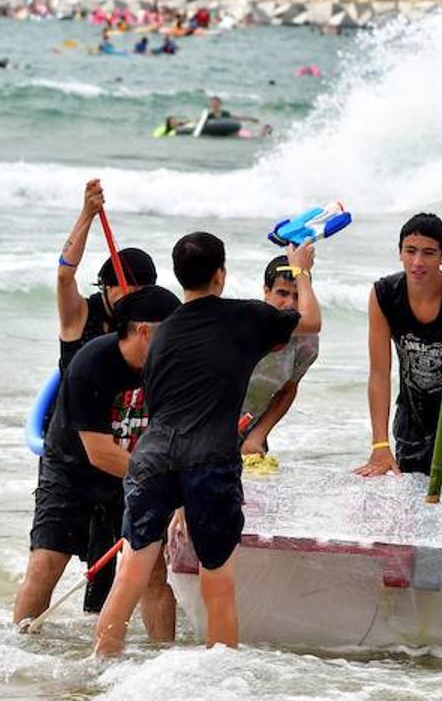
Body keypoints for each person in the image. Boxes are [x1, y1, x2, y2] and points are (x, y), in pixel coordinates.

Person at [93, 232, 321, 656]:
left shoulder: (160, 335)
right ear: (221, 274)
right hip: (210, 461)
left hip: (153, 458)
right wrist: (302, 268)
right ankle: (221, 686)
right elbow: (309, 322)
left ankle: (98, 668)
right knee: (217, 583)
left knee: (131, 575)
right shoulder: (245, 317)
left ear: (180, 276)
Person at [15, 286, 183, 633]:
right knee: (46, 564)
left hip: (138, 474)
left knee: (153, 573)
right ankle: (20, 651)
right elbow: (99, 452)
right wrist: (165, 484)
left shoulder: (172, 367)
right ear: (144, 332)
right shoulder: (91, 364)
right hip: (71, 470)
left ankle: (164, 662)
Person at [356, 214, 442, 484]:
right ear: (400, 253)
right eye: (410, 251)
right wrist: (380, 445)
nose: (418, 262)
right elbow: (380, 374)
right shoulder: (384, 294)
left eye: (429, 253)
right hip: (413, 413)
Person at [57, 180, 159, 372]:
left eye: (144, 292)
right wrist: (87, 213)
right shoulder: (79, 314)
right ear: (107, 285)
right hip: (78, 399)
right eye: (131, 289)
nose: (136, 299)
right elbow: (64, 275)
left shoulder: (146, 323)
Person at [239, 256, 320, 457]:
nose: (290, 304)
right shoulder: (245, 327)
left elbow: (287, 390)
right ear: (266, 292)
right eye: (282, 293)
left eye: (298, 295)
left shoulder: (307, 344)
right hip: (208, 426)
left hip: (251, 429)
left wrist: (257, 436)